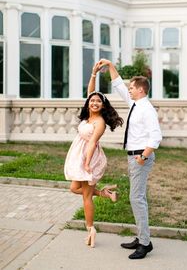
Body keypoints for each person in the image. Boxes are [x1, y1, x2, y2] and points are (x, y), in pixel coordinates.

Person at [98, 59, 162, 260]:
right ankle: (141, 237)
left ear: (141, 90)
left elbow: (156, 136)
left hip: (140, 157)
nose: (129, 90)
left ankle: (145, 243)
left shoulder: (147, 109)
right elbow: (118, 85)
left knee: (137, 199)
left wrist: (143, 156)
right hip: (135, 157)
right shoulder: (135, 103)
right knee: (137, 198)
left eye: (132, 87)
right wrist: (109, 66)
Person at [64, 63, 123, 248]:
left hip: (89, 157)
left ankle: (90, 229)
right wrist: (93, 74)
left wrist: (87, 163)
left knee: (86, 197)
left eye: (98, 101)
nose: (94, 102)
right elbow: (91, 92)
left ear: (103, 105)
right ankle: (106, 194)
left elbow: (91, 143)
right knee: (74, 188)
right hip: (80, 154)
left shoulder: (100, 122)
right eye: (92, 101)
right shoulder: (88, 117)